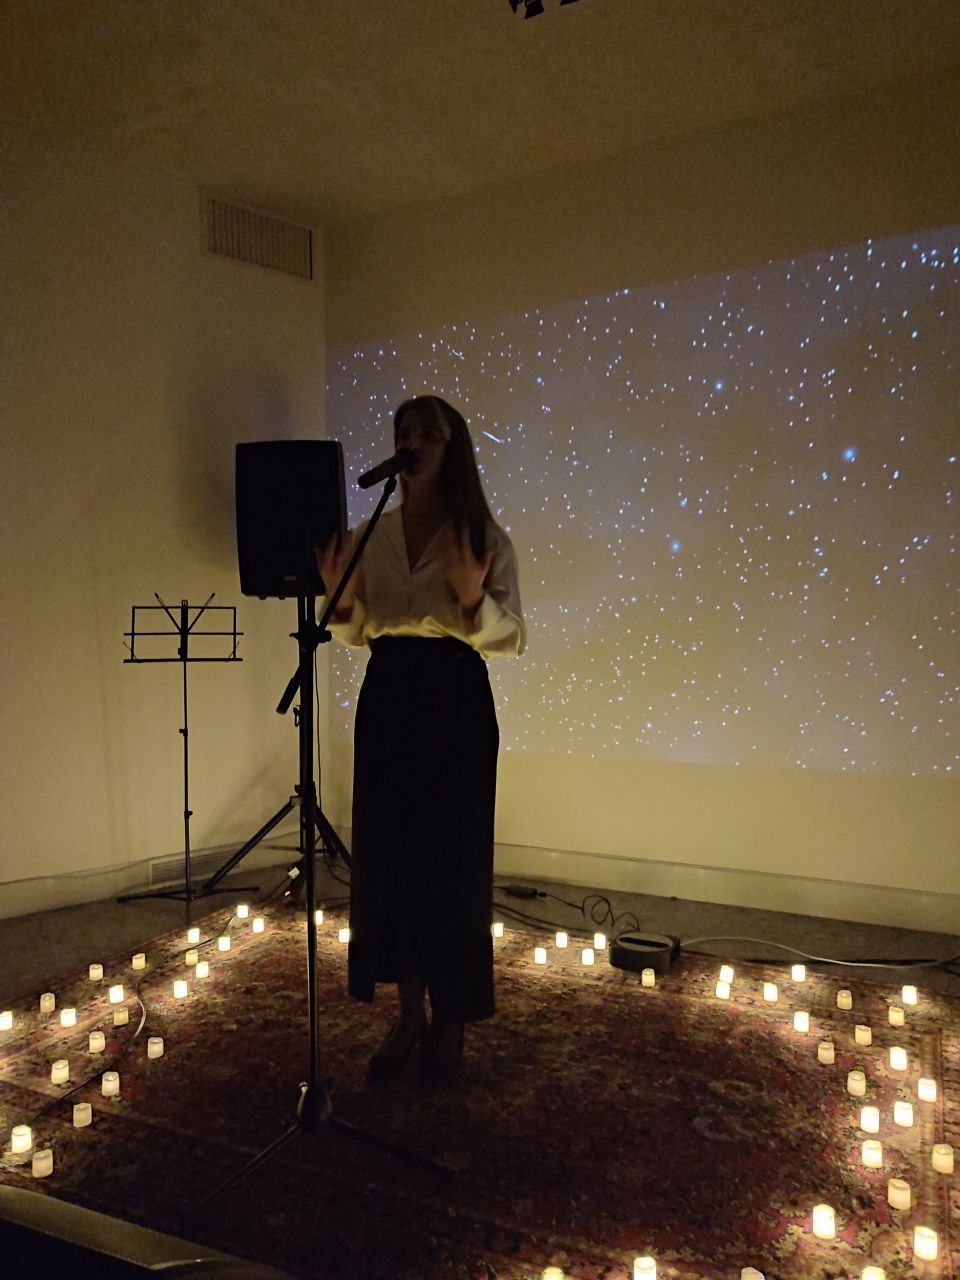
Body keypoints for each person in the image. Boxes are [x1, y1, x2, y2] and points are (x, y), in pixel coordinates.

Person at [316, 395, 525, 1091]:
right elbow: (355, 630)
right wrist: (340, 598)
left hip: (454, 699)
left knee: (451, 861)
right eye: (403, 433)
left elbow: (511, 635)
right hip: (389, 694)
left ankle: (451, 1019)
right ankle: (408, 1016)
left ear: (452, 448)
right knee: (393, 858)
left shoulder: (482, 535)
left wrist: (470, 597)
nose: (411, 443)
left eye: (426, 434)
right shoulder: (372, 532)